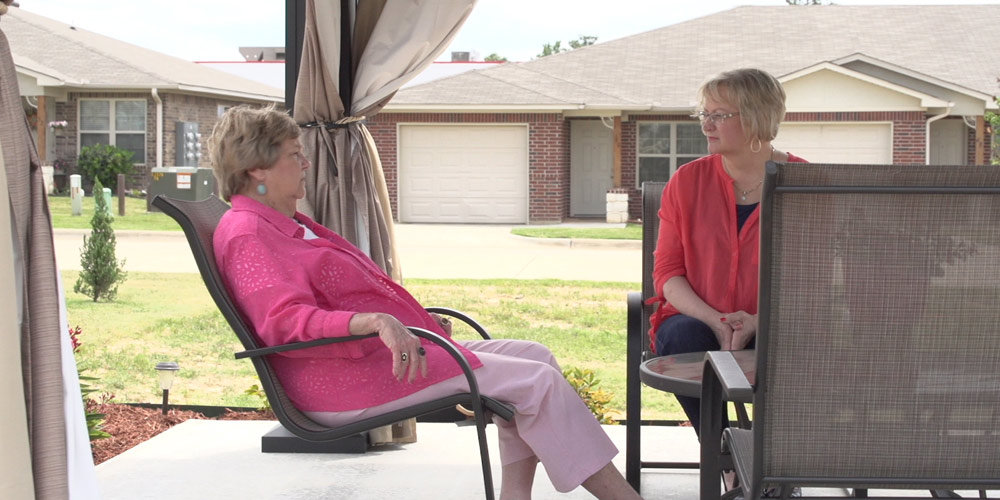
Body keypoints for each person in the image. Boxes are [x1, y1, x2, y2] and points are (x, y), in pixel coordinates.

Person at [209, 104, 643, 500]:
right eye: (294, 154)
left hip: (372, 361)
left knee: (536, 357)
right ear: (257, 169)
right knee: (537, 384)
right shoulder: (249, 234)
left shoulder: (287, 223)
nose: (306, 163)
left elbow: (338, 294)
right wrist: (375, 321)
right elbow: (282, 323)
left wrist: (408, 319)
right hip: (342, 383)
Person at [649, 68, 807, 436]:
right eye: (705, 114)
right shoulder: (687, 181)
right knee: (682, 337)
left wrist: (757, 319)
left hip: (780, 319)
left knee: (797, 343)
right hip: (699, 320)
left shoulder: (803, 183)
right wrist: (716, 320)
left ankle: (775, 463)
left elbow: (812, 279)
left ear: (757, 117)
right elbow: (668, 273)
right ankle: (726, 458)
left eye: (719, 115)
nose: (707, 124)